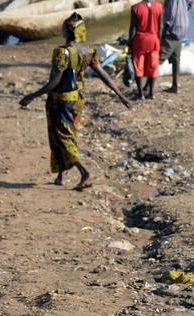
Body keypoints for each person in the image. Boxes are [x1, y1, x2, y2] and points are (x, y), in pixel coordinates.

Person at [19, 13, 131, 190]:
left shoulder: (61, 52)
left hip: (61, 100)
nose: (61, 28)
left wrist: (31, 96)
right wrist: (120, 95)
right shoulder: (88, 51)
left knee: (62, 137)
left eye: (64, 27)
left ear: (68, 32)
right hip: (78, 99)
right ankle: (60, 175)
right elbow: (104, 75)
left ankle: (84, 173)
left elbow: (55, 81)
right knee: (68, 135)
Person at [159, 0, 194, 93]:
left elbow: (169, 17)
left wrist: (163, 33)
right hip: (183, 29)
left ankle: (147, 88)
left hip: (174, 30)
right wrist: (184, 12)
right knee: (176, 59)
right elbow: (193, 1)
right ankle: (175, 85)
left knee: (158, 58)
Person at [128, 0, 163, 100]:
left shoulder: (136, 8)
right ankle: (151, 93)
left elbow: (133, 28)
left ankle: (140, 93)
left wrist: (129, 42)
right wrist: (159, 40)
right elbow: (160, 27)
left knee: (139, 66)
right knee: (153, 66)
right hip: (154, 39)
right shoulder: (159, 7)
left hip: (140, 40)